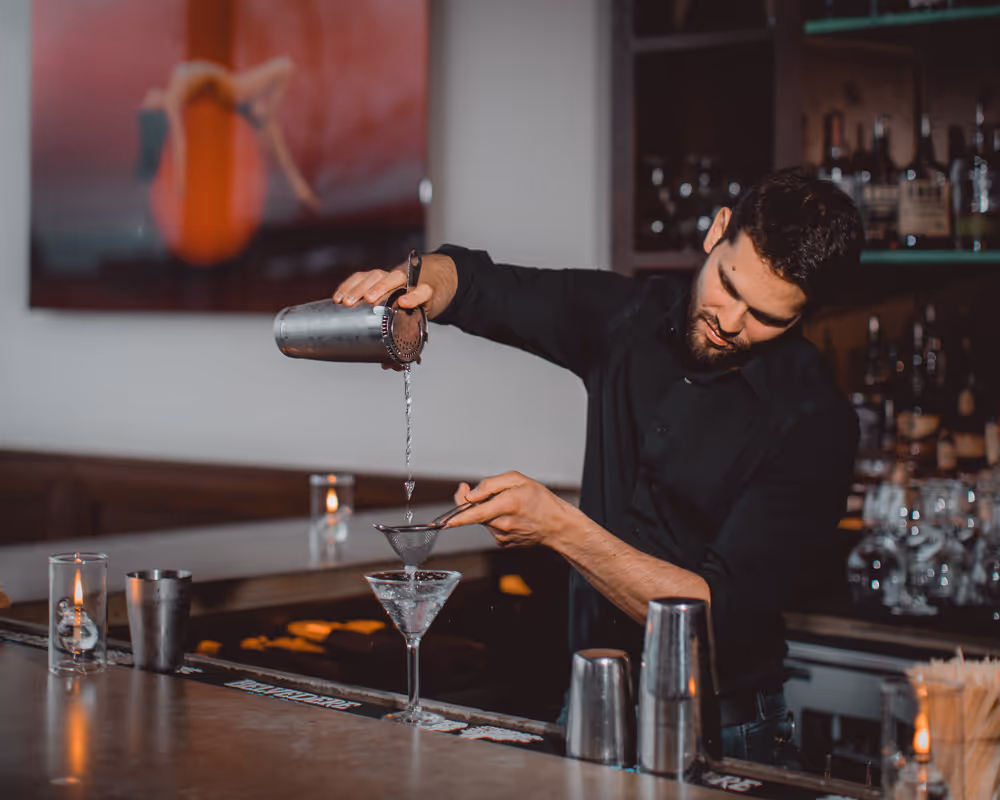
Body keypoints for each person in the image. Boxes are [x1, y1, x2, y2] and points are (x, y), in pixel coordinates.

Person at [334, 169, 863, 765]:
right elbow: (480, 286)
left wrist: (558, 527)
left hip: (723, 731)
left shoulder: (815, 421)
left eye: (768, 317)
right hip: (591, 700)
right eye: (729, 287)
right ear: (718, 232)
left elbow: (715, 619)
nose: (732, 321)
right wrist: (411, 280)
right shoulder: (628, 317)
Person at [137, 57, 320, 213]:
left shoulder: (176, 84)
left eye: (146, 97)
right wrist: (181, 189)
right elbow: (179, 143)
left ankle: (300, 187)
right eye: (148, 103)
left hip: (229, 87)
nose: (147, 96)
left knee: (284, 70)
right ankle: (299, 187)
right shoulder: (173, 98)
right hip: (231, 90)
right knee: (284, 67)